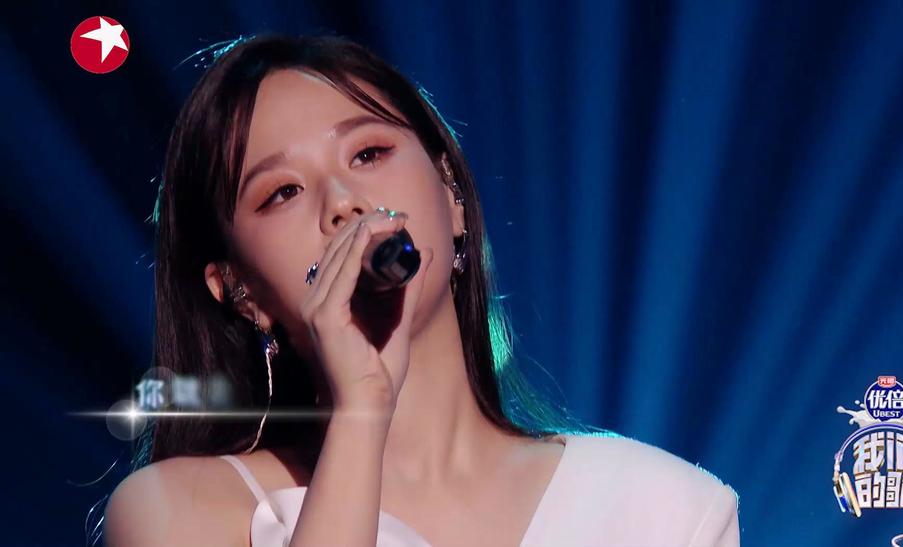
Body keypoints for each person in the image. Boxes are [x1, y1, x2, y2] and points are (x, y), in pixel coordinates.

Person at [102, 33, 740, 546]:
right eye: (283, 192)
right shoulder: (181, 510)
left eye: (368, 154)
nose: (343, 203)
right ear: (240, 290)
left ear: (451, 195)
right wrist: (362, 409)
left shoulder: (661, 507)